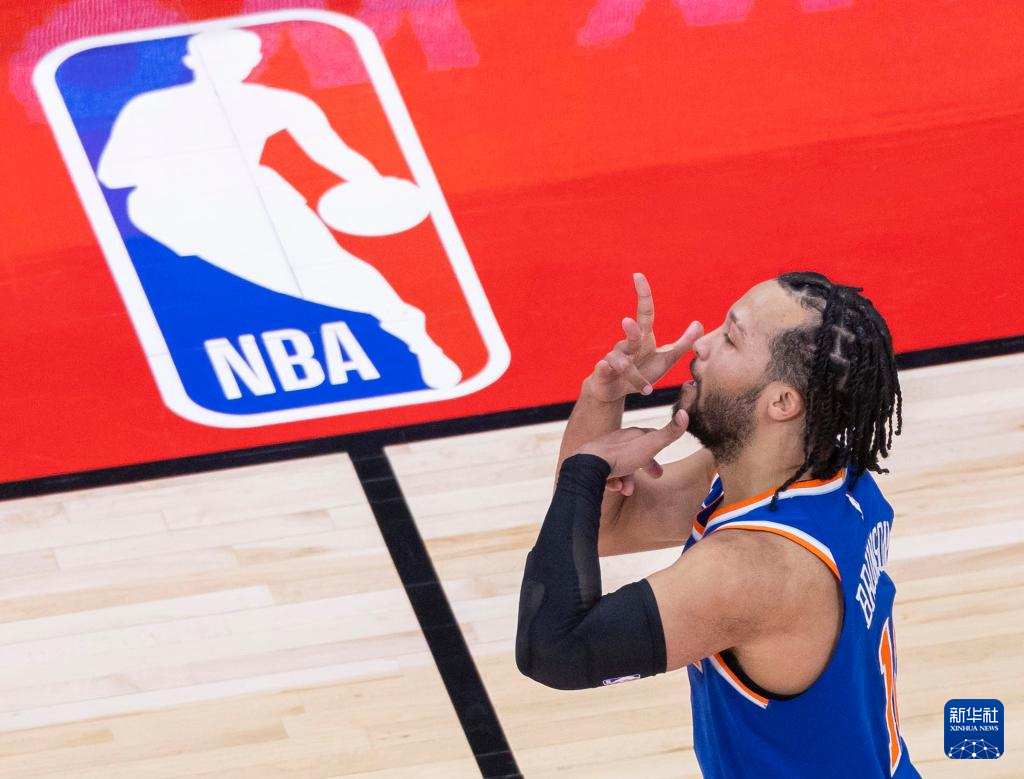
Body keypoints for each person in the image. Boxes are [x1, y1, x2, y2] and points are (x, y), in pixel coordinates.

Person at [516, 271, 919, 777]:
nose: (700, 344)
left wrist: (586, 470)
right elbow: (601, 529)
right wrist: (604, 398)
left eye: (730, 338)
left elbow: (554, 650)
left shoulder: (753, 570)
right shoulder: (824, 474)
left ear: (782, 402)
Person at [96, 28, 460, 389]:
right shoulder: (150, 108)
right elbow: (112, 174)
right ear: (192, 61)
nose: (227, 66)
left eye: (236, 60)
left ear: (253, 62)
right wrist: (188, 164)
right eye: (216, 59)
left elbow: (334, 154)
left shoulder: (280, 103)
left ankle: (420, 342)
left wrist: (374, 186)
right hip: (173, 210)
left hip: (256, 198)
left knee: (335, 268)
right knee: (262, 281)